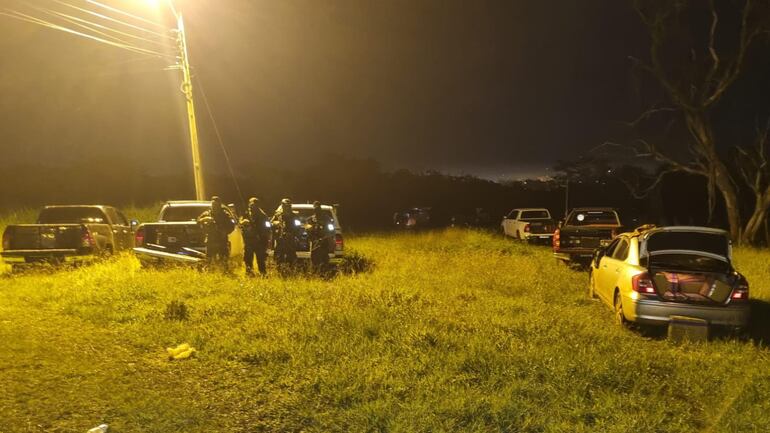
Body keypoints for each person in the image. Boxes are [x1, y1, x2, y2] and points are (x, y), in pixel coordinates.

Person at [197, 196, 235, 270]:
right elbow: (198, 221)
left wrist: (225, 231)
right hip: (211, 239)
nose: (214, 207)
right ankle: (211, 271)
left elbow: (232, 226)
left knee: (223, 259)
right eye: (213, 205)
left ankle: (224, 272)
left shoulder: (225, 215)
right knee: (209, 259)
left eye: (216, 205)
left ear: (219, 205)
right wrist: (204, 219)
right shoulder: (207, 213)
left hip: (221, 240)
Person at [240, 197, 270, 276]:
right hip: (249, 241)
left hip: (259, 241)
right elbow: (240, 224)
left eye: (254, 205)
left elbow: (267, 228)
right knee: (248, 259)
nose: (251, 207)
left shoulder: (263, 216)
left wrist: (259, 232)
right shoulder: (246, 214)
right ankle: (249, 273)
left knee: (260, 259)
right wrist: (243, 222)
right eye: (251, 205)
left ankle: (263, 274)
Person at [271, 198, 298, 265]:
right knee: (279, 256)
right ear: (282, 206)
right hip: (280, 239)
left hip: (290, 239)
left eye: (288, 206)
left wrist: (293, 233)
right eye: (285, 206)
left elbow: (298, 227)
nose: (287, 207)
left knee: (291, 256)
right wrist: (275, 223)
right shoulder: (278, 215)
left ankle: (290, 268)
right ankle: (279, 268)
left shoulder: (294, 216)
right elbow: (270, 223)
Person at [306, 201, 332, 270]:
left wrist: (324, 238)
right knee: (314, 259)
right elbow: (307, 230)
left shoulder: (326, 218)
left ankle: (324, 272)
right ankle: (315, 272)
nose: (317, 210)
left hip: (324, 241)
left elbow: (331, 230)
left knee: (324, 259)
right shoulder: (310, 219)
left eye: (318, 208)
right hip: (314, 242)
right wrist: (313, 238)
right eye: (315, 208)